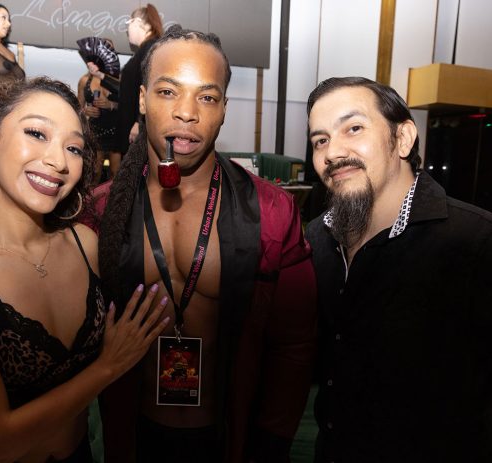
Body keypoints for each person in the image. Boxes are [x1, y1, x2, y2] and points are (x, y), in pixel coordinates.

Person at [88, 26, 317, 463]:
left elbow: (293, 347)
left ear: (225, 109)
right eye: (168, 92)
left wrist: (270, 445)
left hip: (227, 441)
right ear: (141, 99)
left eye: (207, 97)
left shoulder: (272, 212)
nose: (187, 113)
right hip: (133, 438)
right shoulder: (100, 212)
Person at [0, 77, 169, 462]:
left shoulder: (85, 244)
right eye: (36, 133)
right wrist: (108, 366)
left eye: (73, 148)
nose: (58, 161)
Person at [305, 76, 492, 462]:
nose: (333, 152)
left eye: (354, 128)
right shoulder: (317, 238)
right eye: (320, 140)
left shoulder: (482, 246)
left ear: (403, 138)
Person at [87, 4, 163, 159]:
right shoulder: (145, 50)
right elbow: (127, 90)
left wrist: (139, 122)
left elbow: (150, 89)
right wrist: (101, 76)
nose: (127, 28)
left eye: (129, 22)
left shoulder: (150, 49)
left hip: (137, 130)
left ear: (141, 23)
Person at [77, 40, 121, 180]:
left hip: (116, 130)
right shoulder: (85, 80)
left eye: (110, 51)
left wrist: (112, 105)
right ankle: (93, 196)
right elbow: (78, 109)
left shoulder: (120, 80)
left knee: (116, 173)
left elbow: (131, 105)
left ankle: (115, 196)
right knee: (95, 172)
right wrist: (86, 111)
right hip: (95, 131)